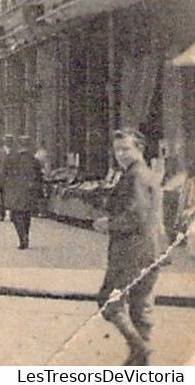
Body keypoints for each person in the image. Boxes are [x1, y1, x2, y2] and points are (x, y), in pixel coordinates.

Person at [93, 129, 167, 366]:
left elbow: (137, 217)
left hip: (132, 252)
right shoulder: (146, 174)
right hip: (151, 250)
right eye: (117, 150)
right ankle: (140, 364)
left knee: (108, 299)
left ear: (140, 148)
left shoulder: (135, 176)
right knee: (140, 306)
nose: (121, 154)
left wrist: (108, 224)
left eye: (126, 149)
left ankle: (140, 348)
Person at [2, 137, 44, 250]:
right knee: (26, 214)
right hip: (29, 191)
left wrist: (5, 187)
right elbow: (39, 177)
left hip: (15, 191)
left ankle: (22, 237)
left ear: (19, 145)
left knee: (15, 215)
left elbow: (5, 174)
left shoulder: (11, 158)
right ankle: (25, 235)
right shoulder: (34, 160)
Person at [0, 135, 15, 221]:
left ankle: (12, 214)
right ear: (5, 142)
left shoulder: (15, 152)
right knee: (2, 197)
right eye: (7, 141)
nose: (9, 143)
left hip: (12, 177)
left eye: (10, 141)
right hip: (2, 177)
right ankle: (2, 214)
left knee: (12, 196)